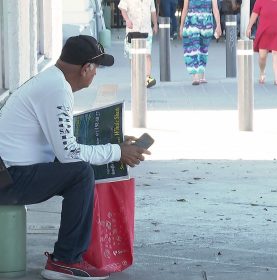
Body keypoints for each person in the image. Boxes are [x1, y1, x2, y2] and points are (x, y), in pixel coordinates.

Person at [0, 35, 150, 280]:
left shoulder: (52, 80)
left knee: (81, 168)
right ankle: (65, 260)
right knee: (80, 174)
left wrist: (115, 142)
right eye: (96, 68)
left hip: (9, 172)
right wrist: (117, 152)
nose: (95, 74)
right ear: (86, 68)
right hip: (7, 179)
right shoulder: (57, 89)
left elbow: (64, 142)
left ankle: (71, 255)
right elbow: (69, 154)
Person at [246, 0, 277, 86]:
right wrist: (249, 27)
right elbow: (254, 14)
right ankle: (262, 72)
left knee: (276, 53)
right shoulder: (260, 1)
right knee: (262, 56)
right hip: (264, 32)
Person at [179, 0, 222, 85]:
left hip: (206, 24)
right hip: (192, 22)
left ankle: (201, 74)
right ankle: (195, 76)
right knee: (193, 48)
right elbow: (185, 9)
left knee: (203, 49)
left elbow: (215, 9)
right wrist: (181, 26)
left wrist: (218, 25)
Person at [118, 0, 158, 88]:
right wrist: (127, 20)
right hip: (133, 31)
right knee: (133, 57)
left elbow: (153, 10)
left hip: (146, 30)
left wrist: (155, 24)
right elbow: (122, 8)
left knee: (147, 54)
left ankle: (147, 78)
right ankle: (135, 78)